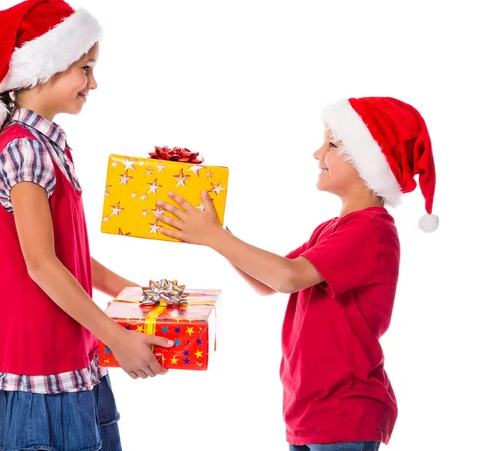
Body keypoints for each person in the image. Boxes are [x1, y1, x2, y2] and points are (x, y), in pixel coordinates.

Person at [156, 97, 438, 450]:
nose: (318, 154)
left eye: (332, 144)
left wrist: (213, 235)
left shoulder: (370, 230)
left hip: (344, 411)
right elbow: (267, 282)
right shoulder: (334, 228)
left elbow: (287, 277)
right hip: (310, 410)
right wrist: (217, 236)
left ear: (370, 164)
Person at [0, 0, 172, 451]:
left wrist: (133, 292)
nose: (92, 84)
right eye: (86, 68)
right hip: (39, 380)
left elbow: (66, 256)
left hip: (71, 365)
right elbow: (42, 265)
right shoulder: (25, 148)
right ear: (42, 68)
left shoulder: (48, 145)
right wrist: (117, 336)